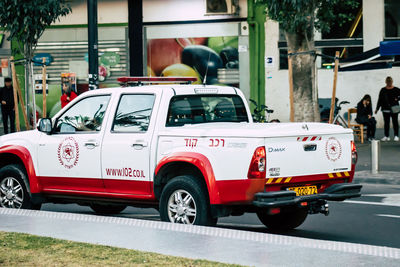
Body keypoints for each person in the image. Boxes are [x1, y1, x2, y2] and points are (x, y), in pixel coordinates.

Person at [375, 76, 400, 141]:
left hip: (394, 108)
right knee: (386, 123)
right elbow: (379, 99)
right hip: (385, 109)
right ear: (386, 82)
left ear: (392, 82)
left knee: (395, 122)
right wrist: (377, 109)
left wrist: (397, 99)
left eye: (390, 82)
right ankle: (386, 136)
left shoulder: (396, 89)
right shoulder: (383, 90)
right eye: (388, 82)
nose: (389, 83)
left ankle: (396, 135)